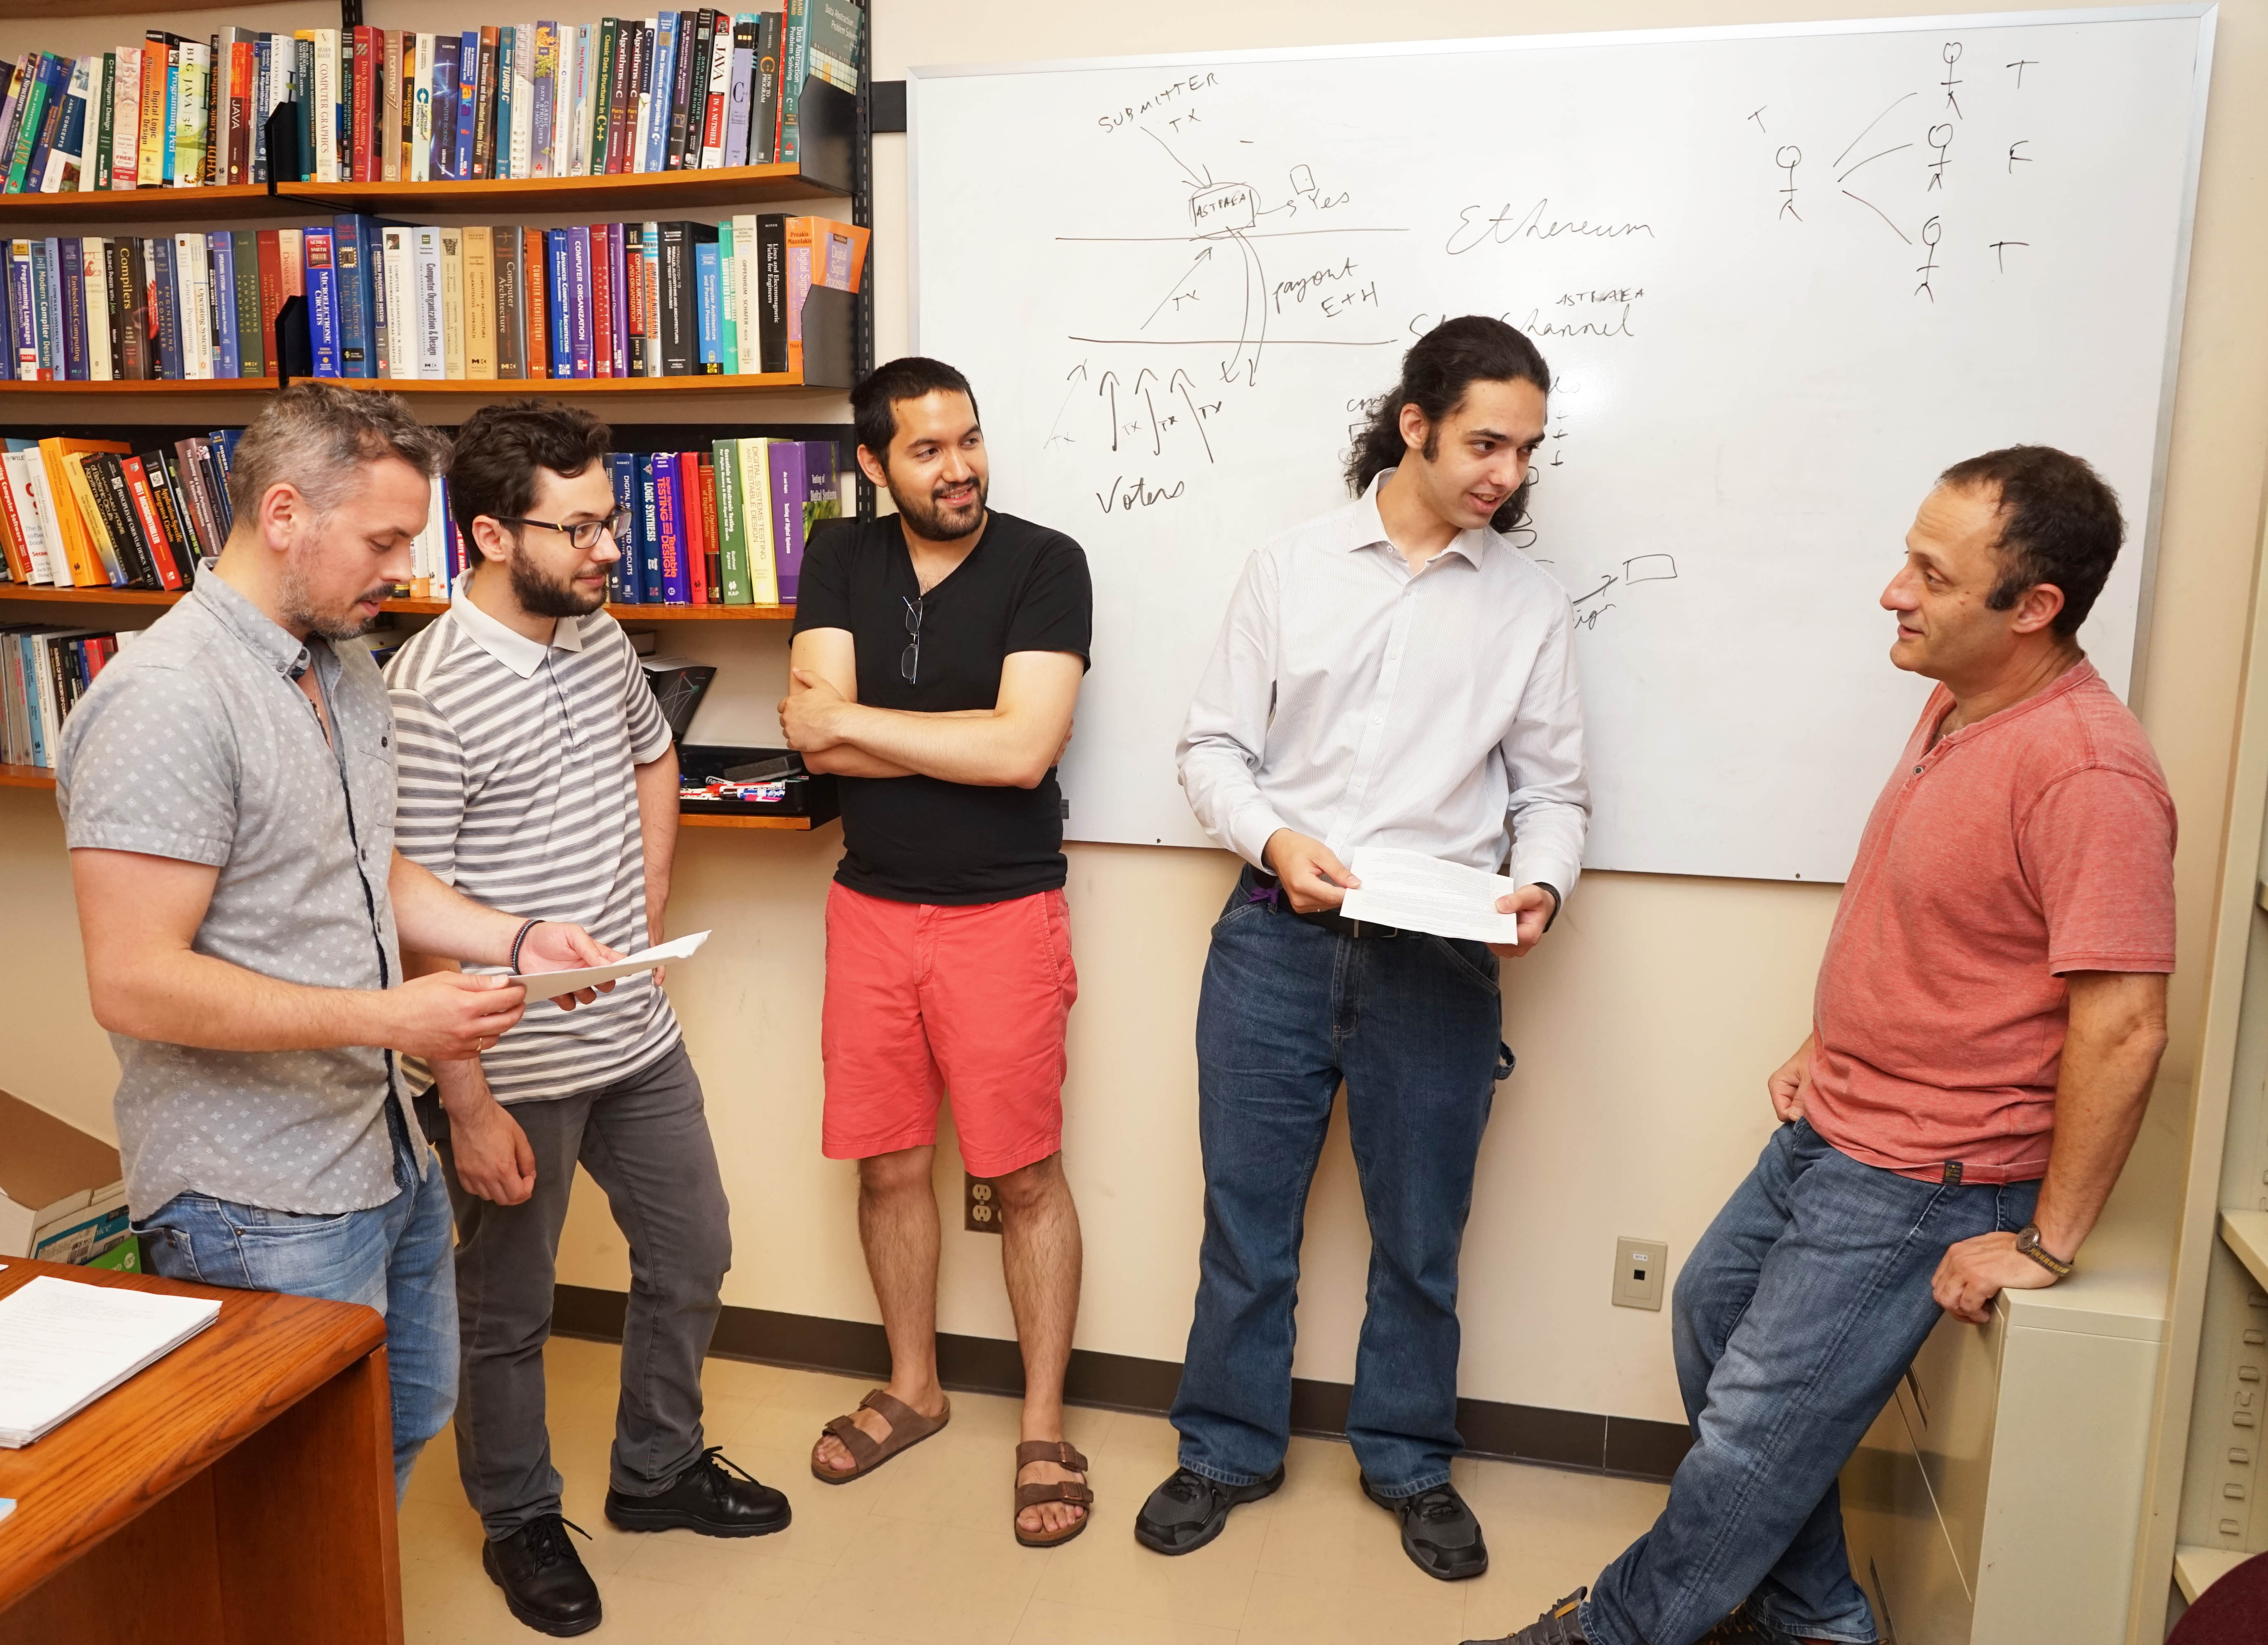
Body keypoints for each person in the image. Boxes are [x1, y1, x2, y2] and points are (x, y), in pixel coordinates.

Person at [1470, 445, 2175, 1645]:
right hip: (1839, 1118)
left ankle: (1613, 1633)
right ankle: (1816, 1619)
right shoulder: (1957, 699)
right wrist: (1827, 1031)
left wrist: (2045, 1245)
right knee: (1709, 1313)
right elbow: (1938, 914)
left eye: (1930, 574)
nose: (1893, 592)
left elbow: (2122, 1020)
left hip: (1929, 1172)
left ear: (2033, 609)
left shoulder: (2088, 772)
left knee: (1751, 1427)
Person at [56, 382, 617, 1501]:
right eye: (384, 540)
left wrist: (517, 941)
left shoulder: (342, 659)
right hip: (251, 1197)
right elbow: (132, 982)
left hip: (375, 1152)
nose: (405, 568)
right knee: (289, 1497)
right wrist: (388, 1019)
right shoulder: (168, 700)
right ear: (282, 517)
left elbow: (367, 869)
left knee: (392, 1437)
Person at [1144, 315, 1588, 1581]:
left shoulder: (1529, 605)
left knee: (1421, 1233)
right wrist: (1276, 843)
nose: (1504, 473)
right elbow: (1209, 749)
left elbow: (1553, 792)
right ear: (1415, 424)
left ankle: (1407, 1461)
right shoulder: (1289, 568)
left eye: (1525, 450)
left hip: (1437, 957)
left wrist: (1541, 887)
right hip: (1277, 935)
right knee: (1247, 1222)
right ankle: (1224, 1450)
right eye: (1483, 442)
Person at [386, 401, 785, 1638]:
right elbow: (407, 921)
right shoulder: (426, 694)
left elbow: (650, 756)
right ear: (496, 534)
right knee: (507, 1314)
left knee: (696, 1250)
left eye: (611, 521)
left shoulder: (597, 636)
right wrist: (466, 1099)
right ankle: (520, 1520)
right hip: (508, 1063)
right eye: (586, 527)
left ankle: (657, 1470)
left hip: (634, 1044)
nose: (613, 547)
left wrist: (647, 895)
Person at [777, 355, 1095, 1546]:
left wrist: (860, 722)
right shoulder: (839, 556)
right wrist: (962, 732)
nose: (958, 467)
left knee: (1023, 1177)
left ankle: (1045, 1425)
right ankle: (913, 1387)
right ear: (872, 463)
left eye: (968, 440)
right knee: (888, 1166)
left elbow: (1022, 755)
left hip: (1005, 915)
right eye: (926, 449)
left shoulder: (1044, 563)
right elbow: (816, 756)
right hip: (869, 910)